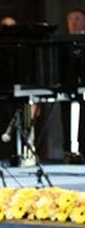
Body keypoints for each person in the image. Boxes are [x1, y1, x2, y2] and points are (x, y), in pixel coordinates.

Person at [61, 8, 85, 161]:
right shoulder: (61, 43)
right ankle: (69, 152)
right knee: (66, 118)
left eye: (77, 19)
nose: (74, 23)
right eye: (71, 19)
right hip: (68, 87)